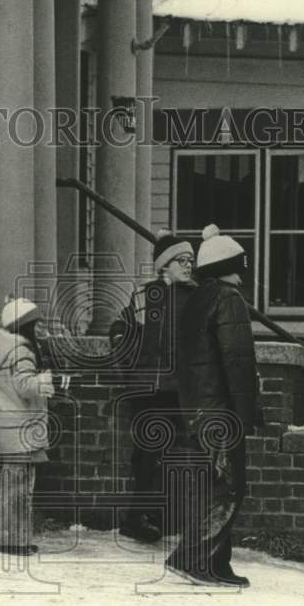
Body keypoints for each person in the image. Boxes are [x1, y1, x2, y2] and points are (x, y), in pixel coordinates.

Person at [168, 224, 258, 587]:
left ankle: (217, 563)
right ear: (235, 264)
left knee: (213, 485)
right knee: (228, 488)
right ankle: (192, 558)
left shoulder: (198, 298)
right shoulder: (229, 299)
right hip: (221, 409)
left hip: (198, 407)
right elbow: (237, 360)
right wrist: (246, 412)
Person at [109, 230, 197, 543]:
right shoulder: (145, 295)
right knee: (147, 453)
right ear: (164, 265)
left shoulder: (196, 297)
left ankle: (156, 515)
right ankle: (137, 517)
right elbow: (121, 328)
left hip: (178, 389)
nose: (188, 266)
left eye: (190, 261)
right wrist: (128, 365)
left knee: (169, 453)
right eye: (181, 261)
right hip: (147, 388)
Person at [0, 298, 63, 555]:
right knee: (20, 491)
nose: (41, 326)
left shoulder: (4, 350)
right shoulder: (22, 353)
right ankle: (13, 542)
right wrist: (46, 379)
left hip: (11, 428)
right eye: (36, 322)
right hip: (21, 429)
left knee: (13, 489)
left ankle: (9, 538)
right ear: (25, 326)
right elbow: (24, 387)